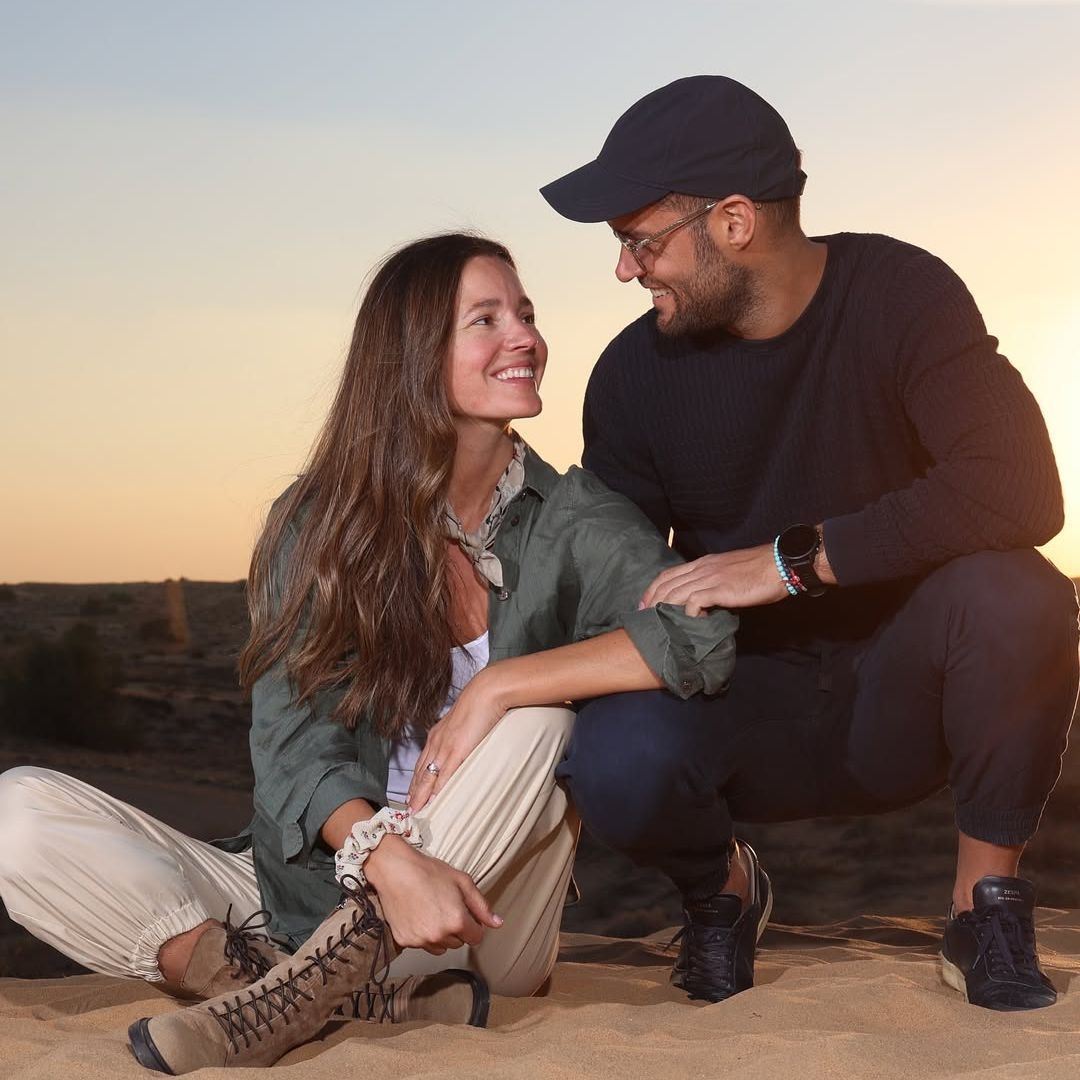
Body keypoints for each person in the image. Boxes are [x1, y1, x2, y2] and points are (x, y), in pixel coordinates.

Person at [0, 233, 737, 1072]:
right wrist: (385, 860)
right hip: (305, 899)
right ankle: (282, 984)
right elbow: (290, 741)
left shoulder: (572, 516)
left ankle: (287, 998)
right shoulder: (322, 521)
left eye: (526, 314)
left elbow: (700, 634)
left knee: (539, 723)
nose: (524, 337)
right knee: (18, 815)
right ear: (413, 355)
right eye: (486, 319)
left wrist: (500, 684)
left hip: (475, 925)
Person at [540, 75, 1079, 1012]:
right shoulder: (631, 376)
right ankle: (723, 893)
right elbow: (617, 581)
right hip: (741, 703)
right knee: (611, 751)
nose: (626, 270)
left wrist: (792, 561)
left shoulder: (903, 293)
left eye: (639, 241)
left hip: (907, 698)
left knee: (1022, 591)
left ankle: (981, 903)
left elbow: (1018, 486)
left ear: (736, 221)